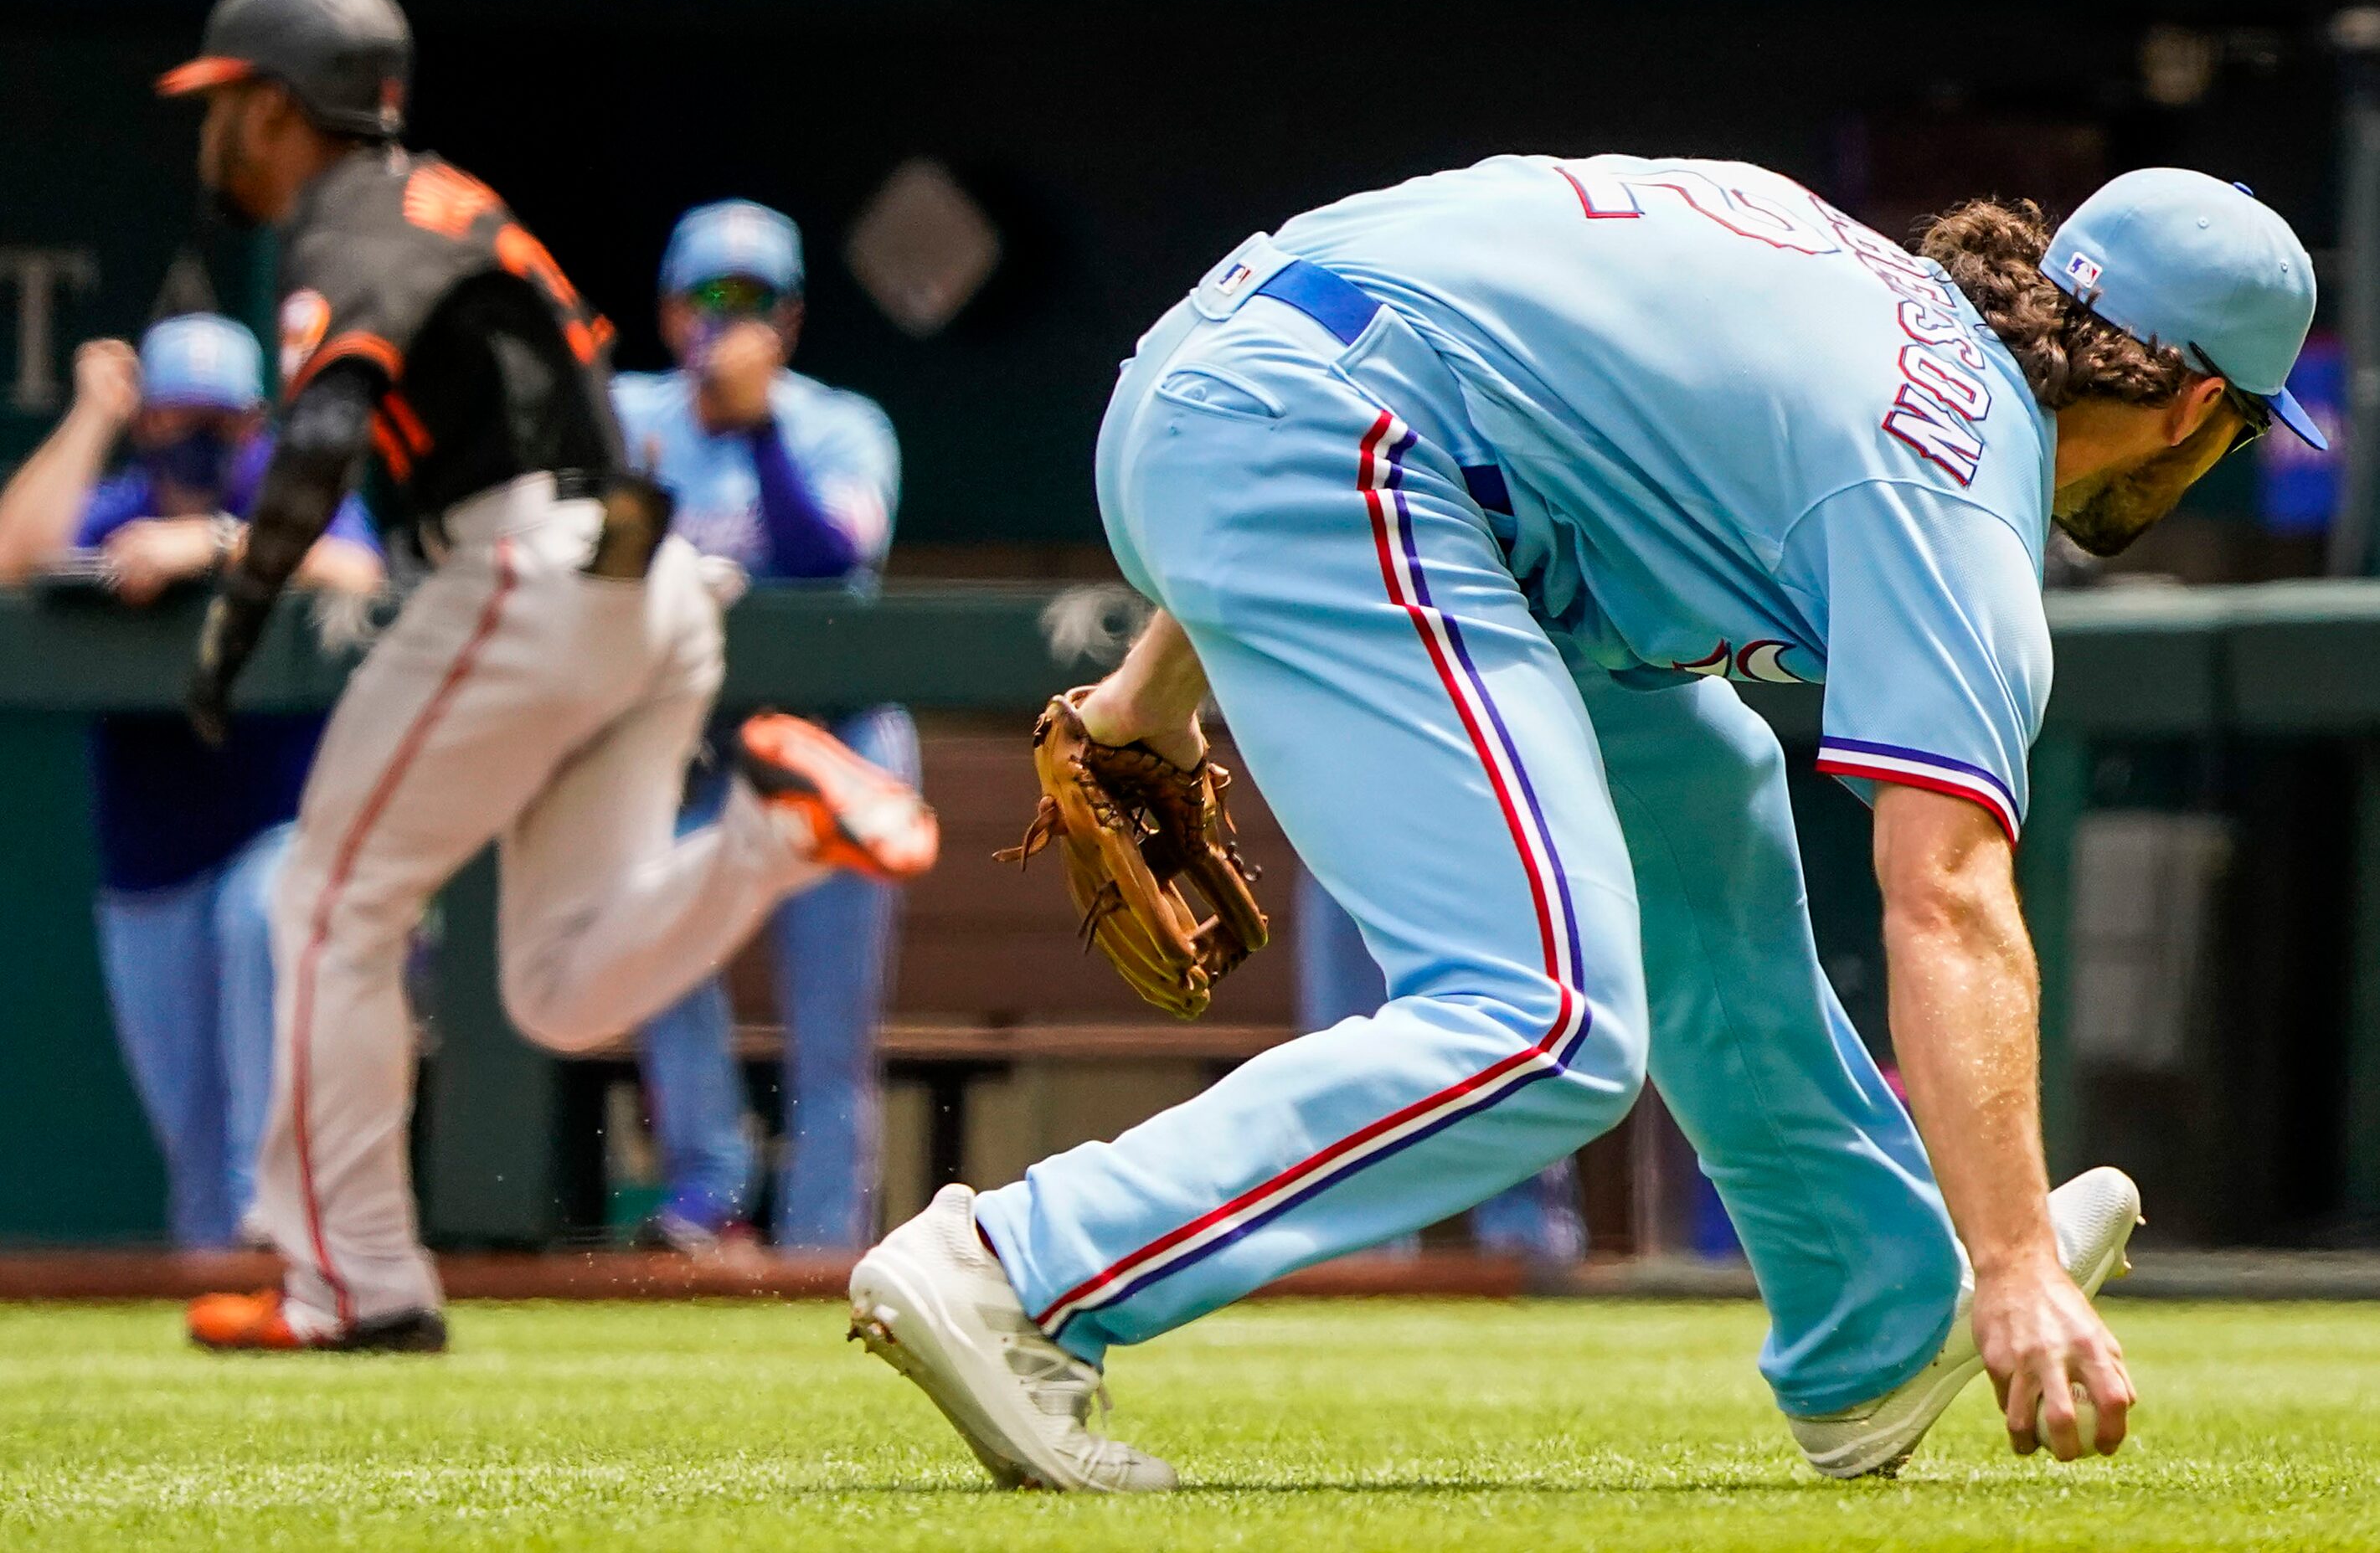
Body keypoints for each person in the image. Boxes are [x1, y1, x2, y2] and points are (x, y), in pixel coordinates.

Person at [851, 157, 2317, 1489]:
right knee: (1544, 1016)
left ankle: (1873, 1310)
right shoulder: (1948, 499)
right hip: (1331, 448)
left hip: (1230, 386)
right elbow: (1943, 894)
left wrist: (1153, 686)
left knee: (1705, 790)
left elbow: (1441, 322)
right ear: (2197, 411)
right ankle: (1018, 1268)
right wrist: (2019, 1263)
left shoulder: (1850, 274)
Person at [155, 0, 937, 1354]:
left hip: (523, 565)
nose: (218, 129)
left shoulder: (351, 215)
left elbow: (332, 417)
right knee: (557, 985)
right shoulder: (453, 196)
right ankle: (767, 830)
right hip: (643, 578)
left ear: (277, 105)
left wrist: (232, 623)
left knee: (328, 897)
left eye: (226, 102)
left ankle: (355, 1281)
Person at [0, 314, 380, 1250]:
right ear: (148, 421)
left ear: (255, 422)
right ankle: (224, 1303)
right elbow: (12, 558)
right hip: (150, 854)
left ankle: (276, 1228)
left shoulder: (274, 490)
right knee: (194, 1160)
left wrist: (212, 544)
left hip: (277, 825)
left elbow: (358, 565)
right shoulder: (114, 502)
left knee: (260, 917)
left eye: (221, 420)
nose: (201, 440)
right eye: (177, 418)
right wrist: (92, 417)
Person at [613, 200, 914, 1253]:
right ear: (668, 311)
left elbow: (836, 566)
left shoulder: (842, 424)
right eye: (709, 299)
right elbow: (589, 571)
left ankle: (822, 1246)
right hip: (688, 756)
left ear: (787, 319)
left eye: (752, 302)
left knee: (830, 1038)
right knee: (658, 953)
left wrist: (764, 432)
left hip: (832, 751)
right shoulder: (627, 416)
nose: (727, 324)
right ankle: (710, 1189)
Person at [1297, 867, 1584, 1261]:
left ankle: (1527, 1242)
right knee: (1354, 1056)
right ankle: (1360, 1240)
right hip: (1355, 833)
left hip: (1486, 839)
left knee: (1508, 1026)